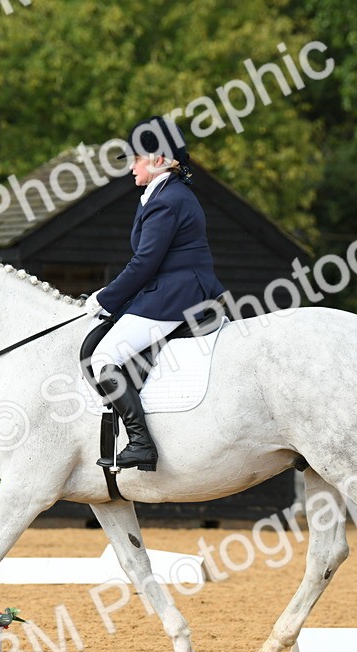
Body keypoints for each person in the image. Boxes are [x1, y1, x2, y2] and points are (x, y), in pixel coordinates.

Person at [83, 115, 226, 471]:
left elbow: (145, 262)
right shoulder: (162, 194)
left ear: (159, 159)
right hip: (172, 287)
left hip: (177, 294)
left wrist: (106, 299)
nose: (131, 166)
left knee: (102, 358)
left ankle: (141, 442)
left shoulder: (168, 199)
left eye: (136, 158)